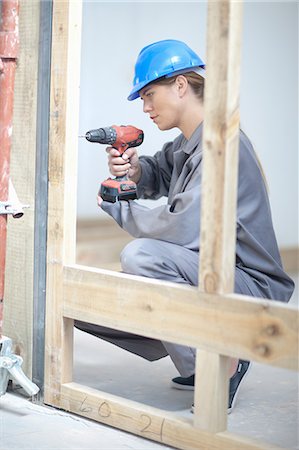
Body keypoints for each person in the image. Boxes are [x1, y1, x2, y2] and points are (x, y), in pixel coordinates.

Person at [75, 39, 295, 413]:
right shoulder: (187, 143)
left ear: (180, 86)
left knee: (142, 256)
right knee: (85, 303)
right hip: (216, 268)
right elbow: (159, 170)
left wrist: (121, 208)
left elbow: (184, 228)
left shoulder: (222, 146)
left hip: (252, 283)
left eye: (149, 95)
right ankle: (199, 349)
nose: (145, 108)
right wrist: (134, 169)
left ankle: (221, 364)